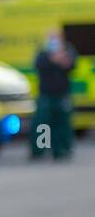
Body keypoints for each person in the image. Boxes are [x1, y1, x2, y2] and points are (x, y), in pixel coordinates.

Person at [31, 29, 77, 161]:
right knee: (42, 124)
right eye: (51, 37)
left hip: (62, 94)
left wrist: (62, 59)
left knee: (62, 123)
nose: (53, 41)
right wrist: (53, 59)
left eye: (56, 38)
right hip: (46, 95)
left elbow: (71, 64)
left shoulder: (68, 49)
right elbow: (39, 65)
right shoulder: (43, 52)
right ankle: (39, 150)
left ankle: (62, 150)